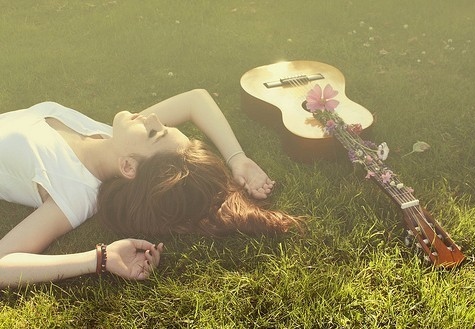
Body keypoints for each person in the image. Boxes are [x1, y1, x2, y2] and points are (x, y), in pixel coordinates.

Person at [0, 89, 300, 288]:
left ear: (129, 168)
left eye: (155, 133)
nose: (153, 118)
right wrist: (238, 158)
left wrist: (99, 259)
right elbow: (196, 99)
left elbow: (3, 264)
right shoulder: (113, 140)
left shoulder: (73, 192)